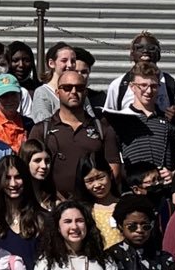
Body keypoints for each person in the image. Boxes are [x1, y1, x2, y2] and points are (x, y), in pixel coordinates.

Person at [27, 70, 122, 198]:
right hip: (53, 204)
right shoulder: (41, 130)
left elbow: (114, 170)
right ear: (57, 92)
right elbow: (30, 169)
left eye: (79, 88)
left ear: (86, 92)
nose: (73, 92)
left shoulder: (102, 128)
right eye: (67, 88)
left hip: (93, 204)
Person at [105, 62, 175, 174]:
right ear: (132, 87)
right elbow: (113, 163)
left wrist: (173, 175)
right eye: (143, 85)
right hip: (132, 184)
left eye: (153, 86)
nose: (148, 91)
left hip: (165, 184)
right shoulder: (120, 121)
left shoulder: (169, 121)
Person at [101, 32, 175, 119]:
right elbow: (107, 122)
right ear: (132, 54)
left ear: (159, 54)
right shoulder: (118, 86)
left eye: (151, 48)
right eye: (139, 48)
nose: (145, 51)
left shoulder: (173, 86)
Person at [75, 154, 123, 249]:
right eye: (90, 181)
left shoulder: (125, 205)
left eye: (101, 177)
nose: (97, 185)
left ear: (110, 175)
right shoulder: (83, 211)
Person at [27, 42, 78, 122]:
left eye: (73, 61)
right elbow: (43, 123)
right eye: (64, 61)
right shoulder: (43, 93)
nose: (70, 65)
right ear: (51, 63)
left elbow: (91, 121)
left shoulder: (79, 90)